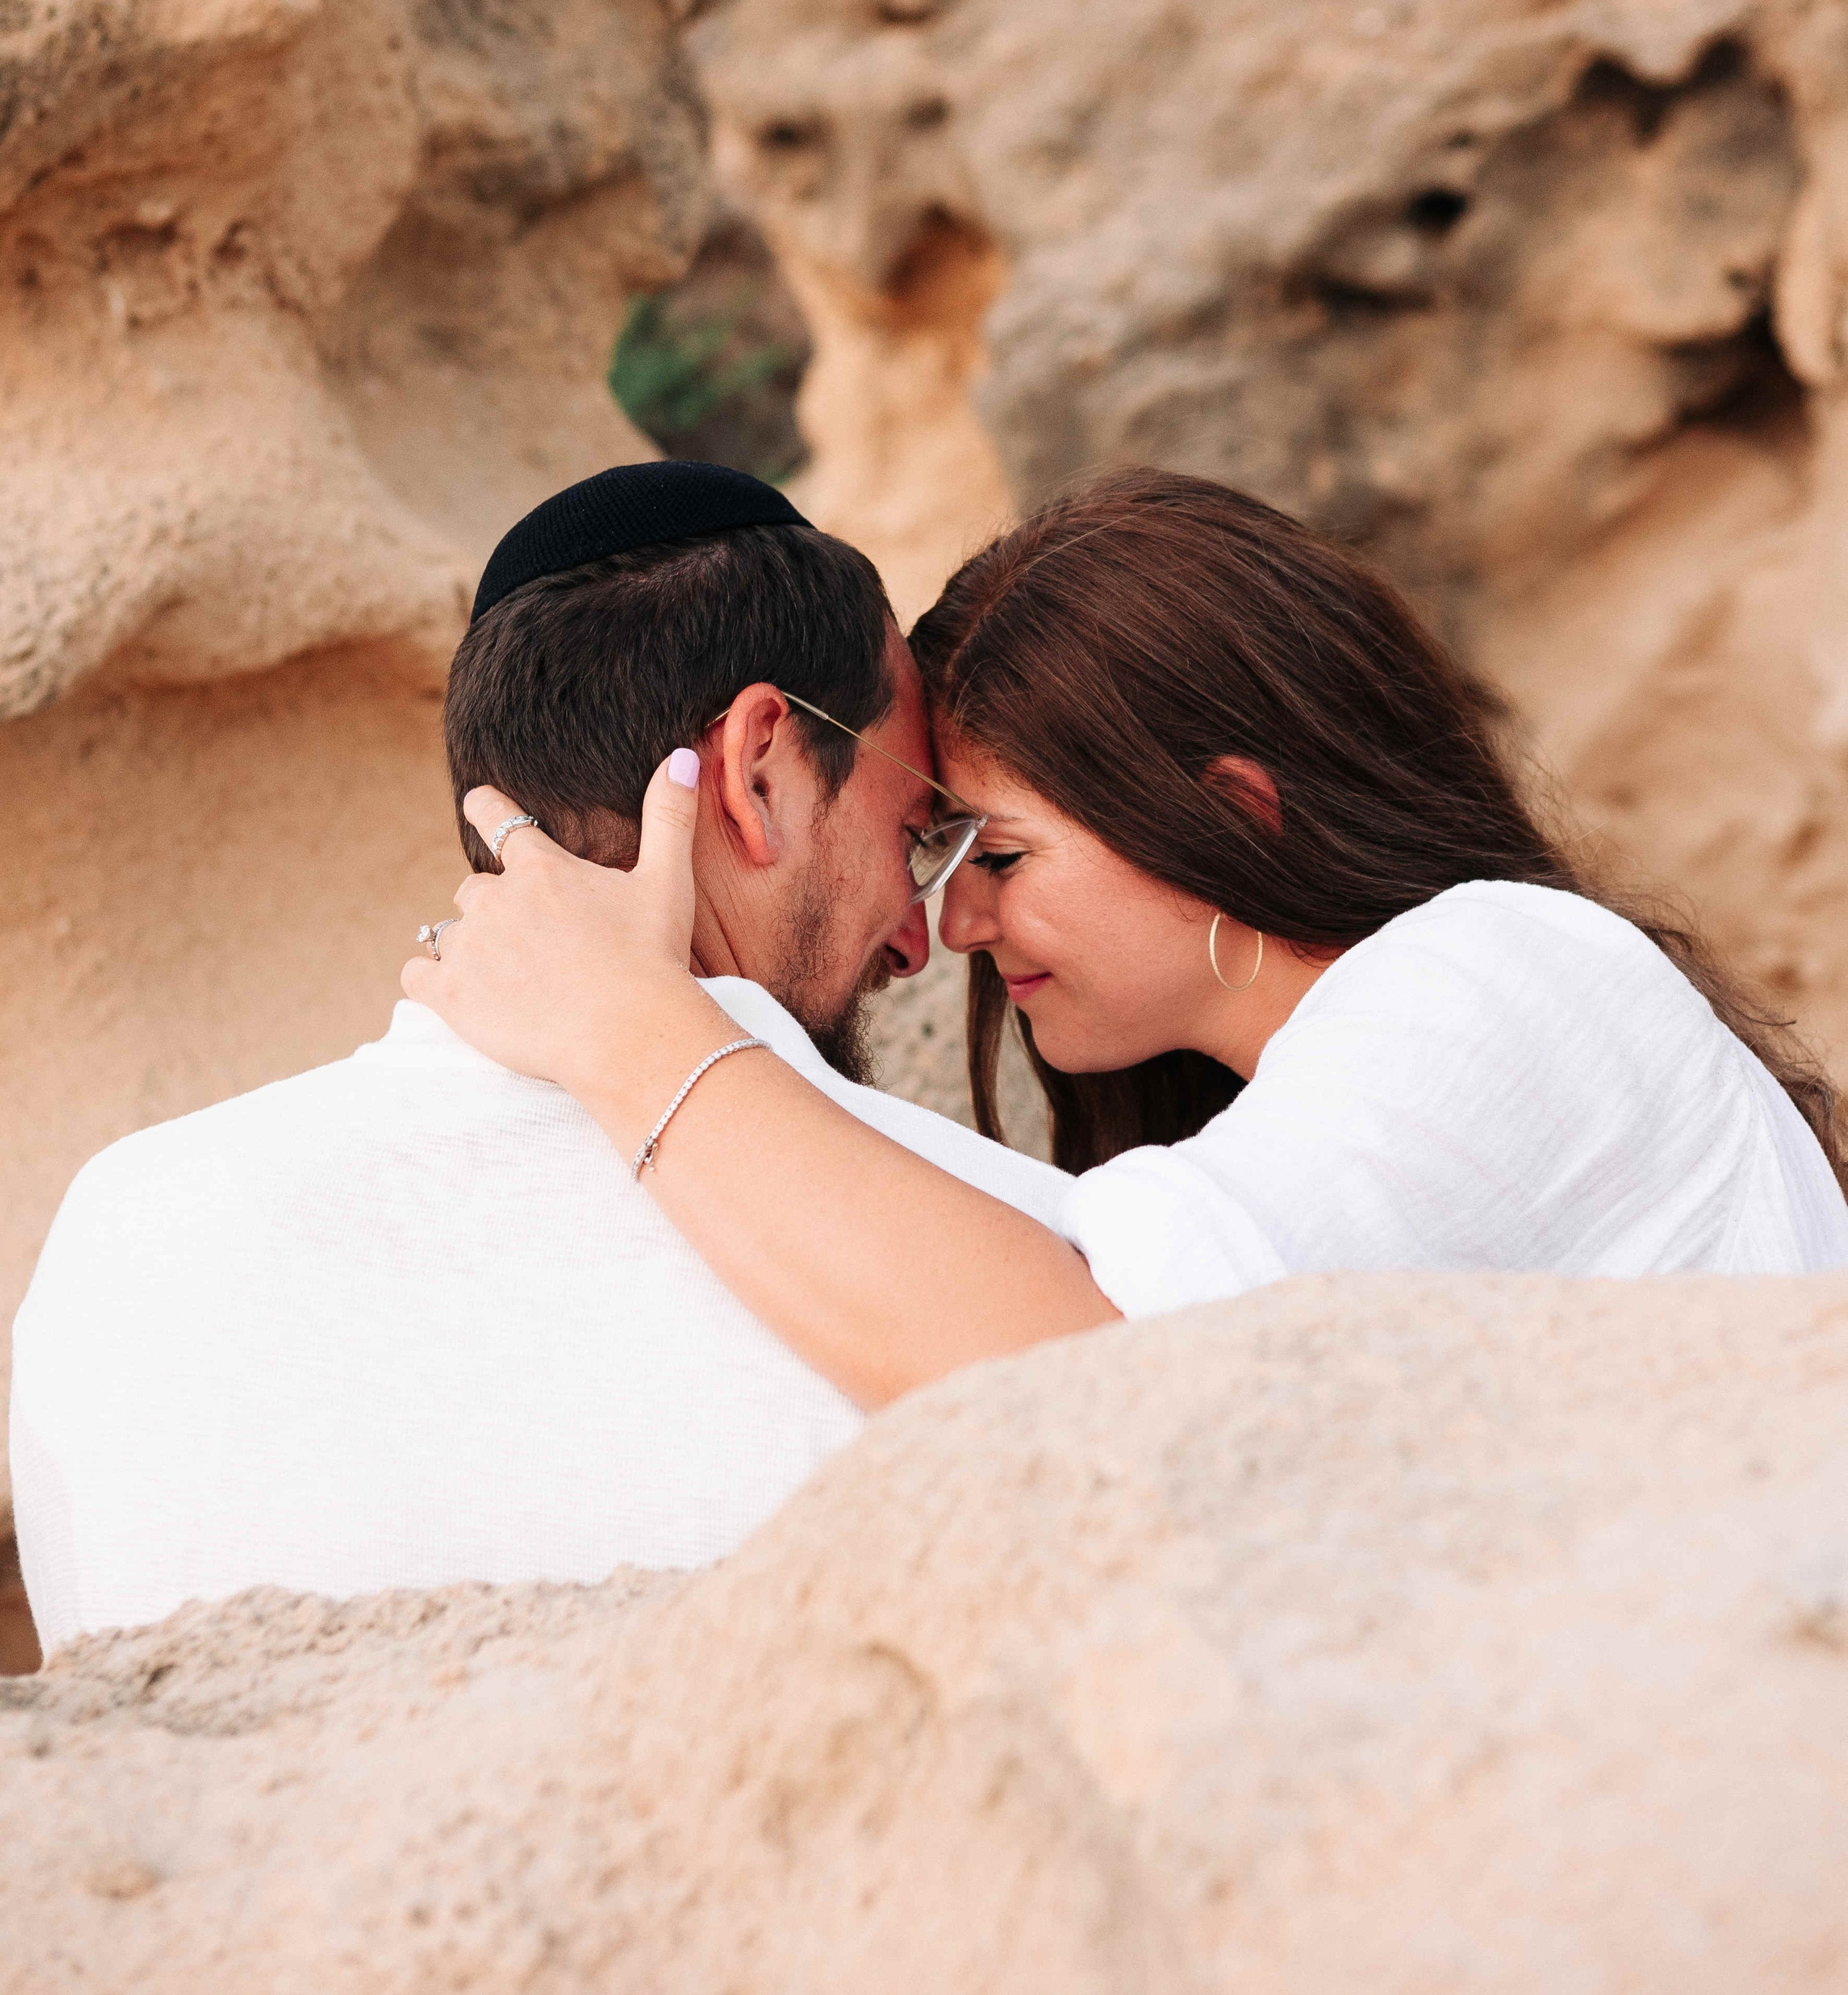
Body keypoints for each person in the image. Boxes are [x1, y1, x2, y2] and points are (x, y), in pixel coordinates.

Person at [408, 469, 1848, 1408]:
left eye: (998, 853)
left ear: (1225, 817)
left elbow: (1103, 1395)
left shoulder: (1503, 972)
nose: (951, 924)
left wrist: (625, 1027)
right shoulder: (1293, 1118)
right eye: (940, 853)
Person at [9, 464, 1081, 1654]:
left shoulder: (125, 1229)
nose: (919, 939)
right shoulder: (1013, 1264)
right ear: (759, 767)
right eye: (913, 835)